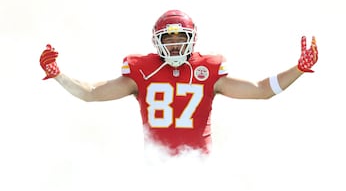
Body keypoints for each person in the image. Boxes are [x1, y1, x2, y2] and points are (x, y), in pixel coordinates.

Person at [39, 9, 318, 155]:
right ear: (157, 41)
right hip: (157, 169)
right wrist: (58, 74)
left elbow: (260, 90)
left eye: (179, 38)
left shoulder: (208, 70)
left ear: (191, 39)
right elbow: (91, 93)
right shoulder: (142, 71)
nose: (174, 45)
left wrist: (299, 68)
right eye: (168, 39)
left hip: (198, 168)